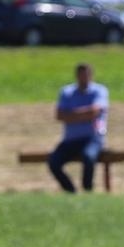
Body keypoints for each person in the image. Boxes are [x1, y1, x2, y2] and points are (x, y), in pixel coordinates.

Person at [48, 62, 109, 194]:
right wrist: (85, 114)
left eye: (86, 74)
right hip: (71, 140)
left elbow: (95, 112)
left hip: (93, 138)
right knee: (53, 162)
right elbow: (59, 115)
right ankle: (70, 191)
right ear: (76, 76)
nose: (84, 77)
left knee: (88, 157)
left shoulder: (99, 90)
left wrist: (71, 114)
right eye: (81, 74)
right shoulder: (67, 92)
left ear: (91, 75)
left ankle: (87, 190)